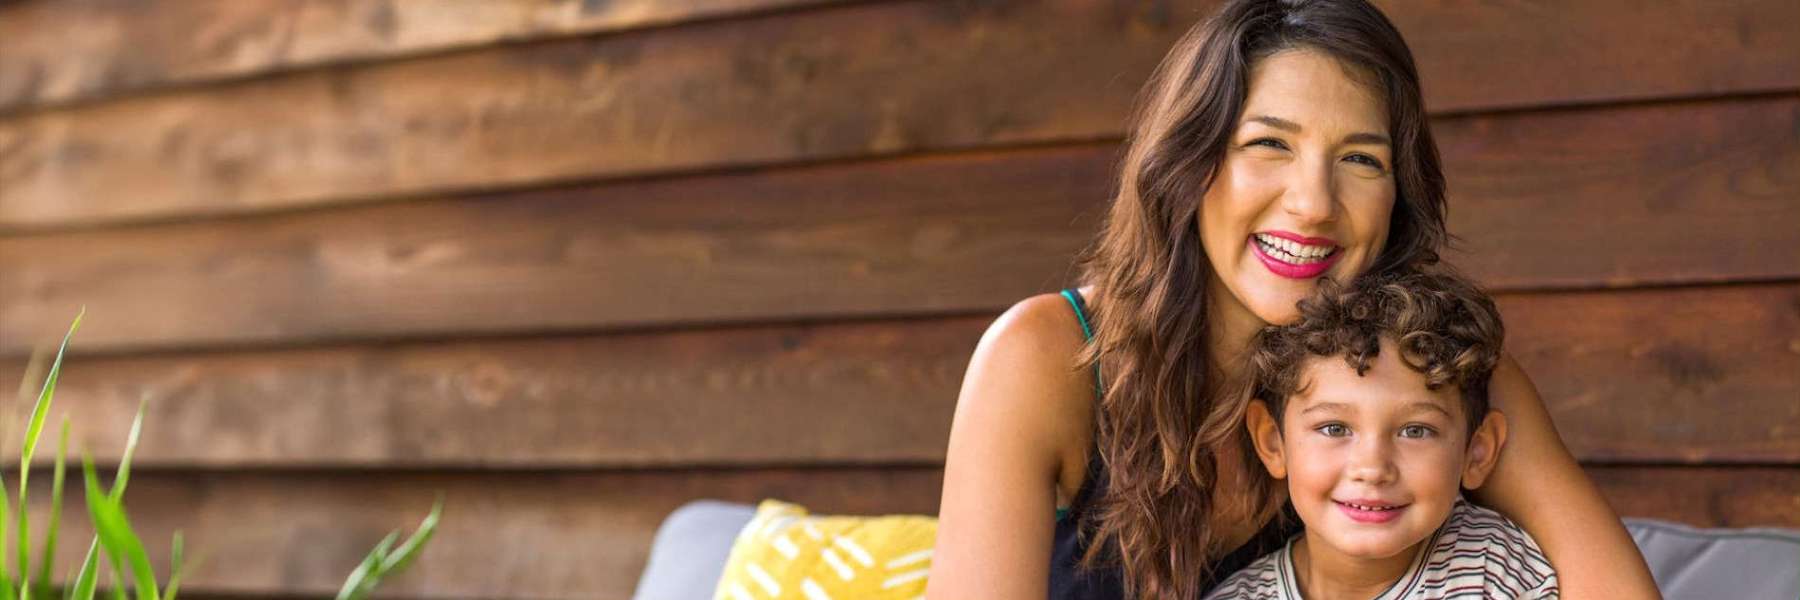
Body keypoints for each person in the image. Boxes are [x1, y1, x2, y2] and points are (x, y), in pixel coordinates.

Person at [925, 0, 1659, 598]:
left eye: (1361, 159)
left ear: (1397, 195)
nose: (1312, 204)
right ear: (1192, 163)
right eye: (1268, 145)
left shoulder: (1440, 371)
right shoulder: (1045, 356)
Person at [1206, 269, 1555, 599]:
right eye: (1334, 428)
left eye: (1415, 431)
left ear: (1476, 452)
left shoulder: (1499, 573)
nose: (1372, 468)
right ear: (1272, 442)